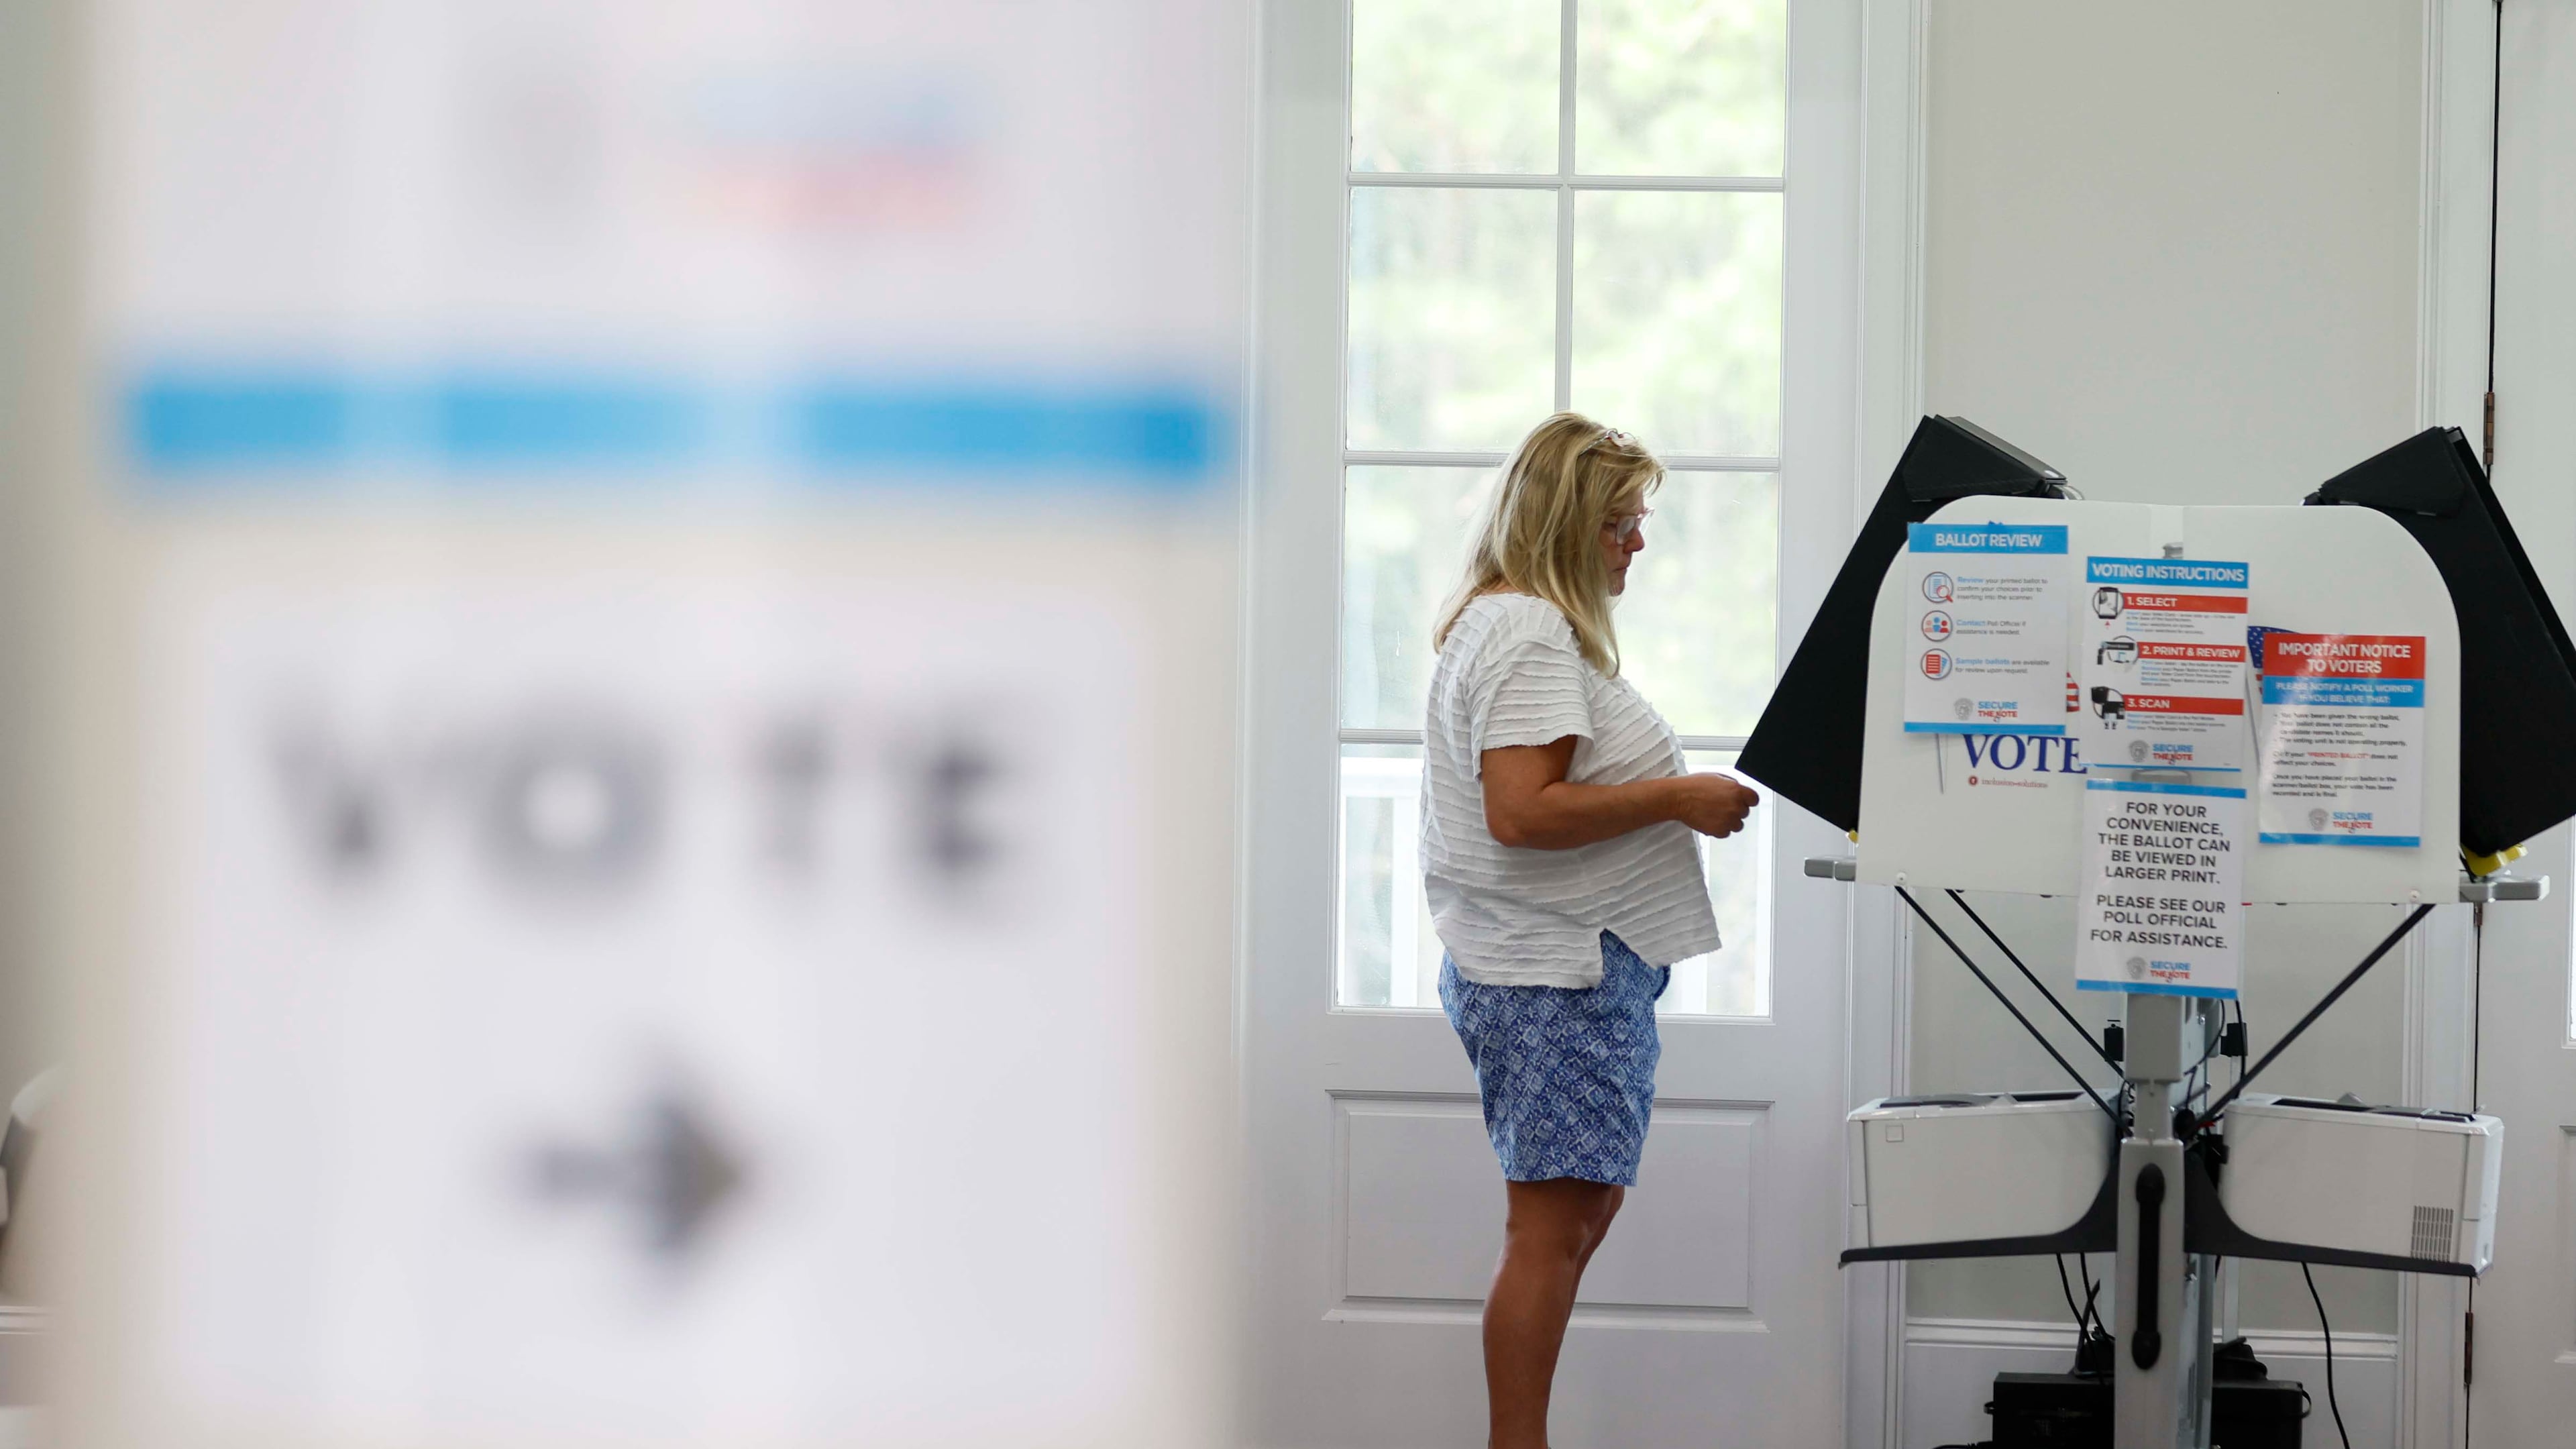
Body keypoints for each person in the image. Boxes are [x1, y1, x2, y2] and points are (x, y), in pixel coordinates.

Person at [1421, 413, 1760, 1449]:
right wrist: (1678, 798)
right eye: (1621, 523)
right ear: (1568, 526)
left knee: (1569, 1221)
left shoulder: (1498, 620)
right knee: (1551, 1233)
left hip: (1547, 966)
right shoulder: (1528, 634)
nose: (1637, 545)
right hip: (1551, 972)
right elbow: (1521, 813)